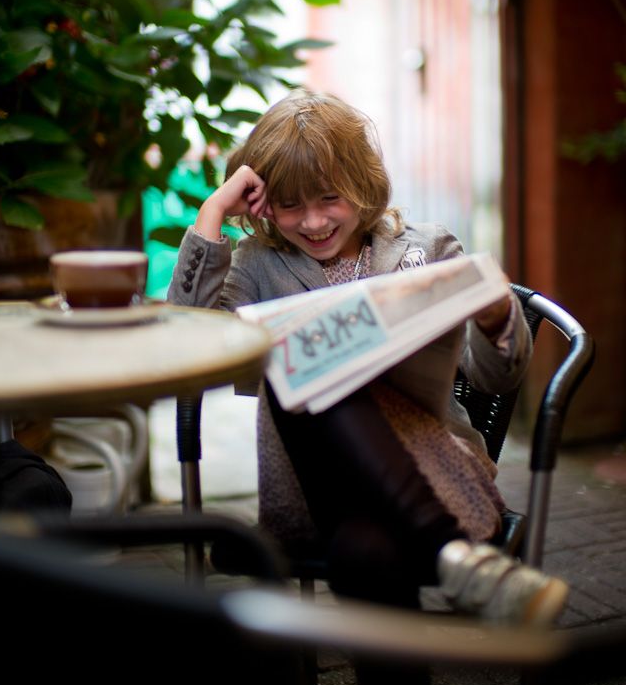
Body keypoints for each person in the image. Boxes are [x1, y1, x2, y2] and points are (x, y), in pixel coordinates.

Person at [168, 88, 568, 640]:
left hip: (438, 470)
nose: (311, 222)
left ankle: (451, 556)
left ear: (362, 183)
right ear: (263, 203)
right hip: (313, 489)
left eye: (329, 197)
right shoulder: (257, 266)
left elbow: (494, 379)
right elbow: (186, 350)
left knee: (364, 550)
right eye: (289, 205)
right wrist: (212, 212)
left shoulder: (425, 250)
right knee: (306, 361)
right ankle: (458, 559)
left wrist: (497, 316)